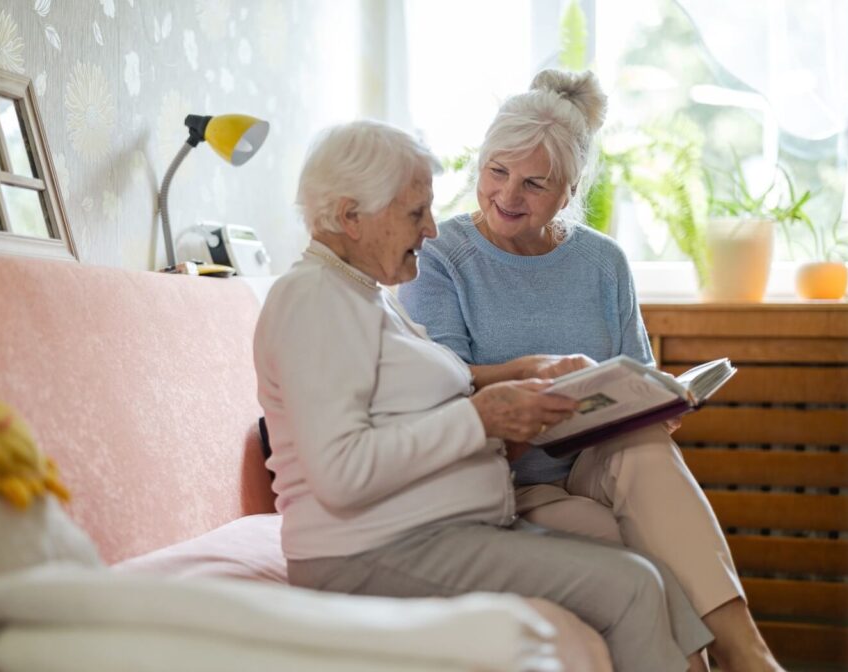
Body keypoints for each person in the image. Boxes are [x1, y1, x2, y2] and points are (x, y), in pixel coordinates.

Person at [254, 118, 715, 672]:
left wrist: (519, 373)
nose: (431, 230)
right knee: (634, 584)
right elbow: (340, 472)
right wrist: (483, 417)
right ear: (352, 216)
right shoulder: (313, 300)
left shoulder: (362, 295)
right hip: (370, 551)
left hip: (429, 532)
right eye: (414, 213)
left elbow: (410, 399)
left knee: (646, 569)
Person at [399, 69, 784, 672]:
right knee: (631, 545)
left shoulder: (603, 262)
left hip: (596, 459)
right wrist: (531, 372)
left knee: (648, 449)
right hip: (509, 477)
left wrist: (662, 402)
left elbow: (638, 373)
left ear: (570, 189)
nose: (507, 195)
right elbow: (445, 380)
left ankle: (749, 653)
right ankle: (725, 662)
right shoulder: (442, 255)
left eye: (534, 183)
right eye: (496, 172)